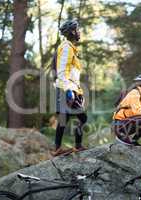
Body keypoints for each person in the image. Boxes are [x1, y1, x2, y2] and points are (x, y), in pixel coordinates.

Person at [51, 20, 87, 156]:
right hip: (66, 88)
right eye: (77, 29)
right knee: (82, 118)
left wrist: (76, 90)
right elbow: (61, 70)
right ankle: (74, 146)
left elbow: (71, 72)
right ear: (72, 31)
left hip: (71, 87)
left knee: (64, 119)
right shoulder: (66, 47)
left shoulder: (70, 47)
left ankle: (58, 148)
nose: (79, 32)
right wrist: (68, 90)